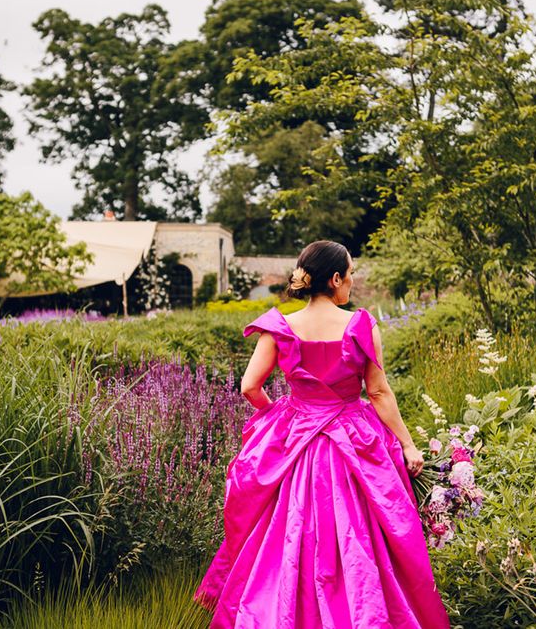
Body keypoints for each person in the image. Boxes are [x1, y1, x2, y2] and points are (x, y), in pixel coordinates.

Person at [193, 240, 451, 628]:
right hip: (352, 442)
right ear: (334, 279)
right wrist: (408, 444)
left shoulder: (279, 326)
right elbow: (378, 392)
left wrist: (283, 415)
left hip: (297, 439)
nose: (352, 281)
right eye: (350, 273)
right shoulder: (360, 325)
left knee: (285, 534)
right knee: (361, 538)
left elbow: (249, 386)